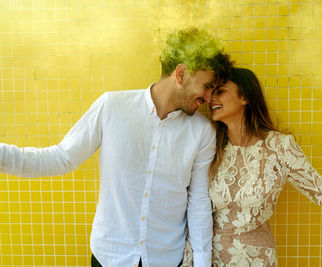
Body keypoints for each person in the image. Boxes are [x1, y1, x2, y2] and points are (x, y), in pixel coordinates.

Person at [0, 28, 233, 267]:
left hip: (166, 258)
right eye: (207, 86)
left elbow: (198, 201)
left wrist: (203, 263)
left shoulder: (203, 132)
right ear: (181, 74)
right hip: (110, 256)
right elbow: (61, 158)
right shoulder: (111, 106)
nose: (209, 98)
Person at [182, 67, 322, 266]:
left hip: (255, 259)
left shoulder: (279, 148)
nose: (210, 99)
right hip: (204, 257)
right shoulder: (209, 143)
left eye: (220, 91)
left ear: (245, 97)